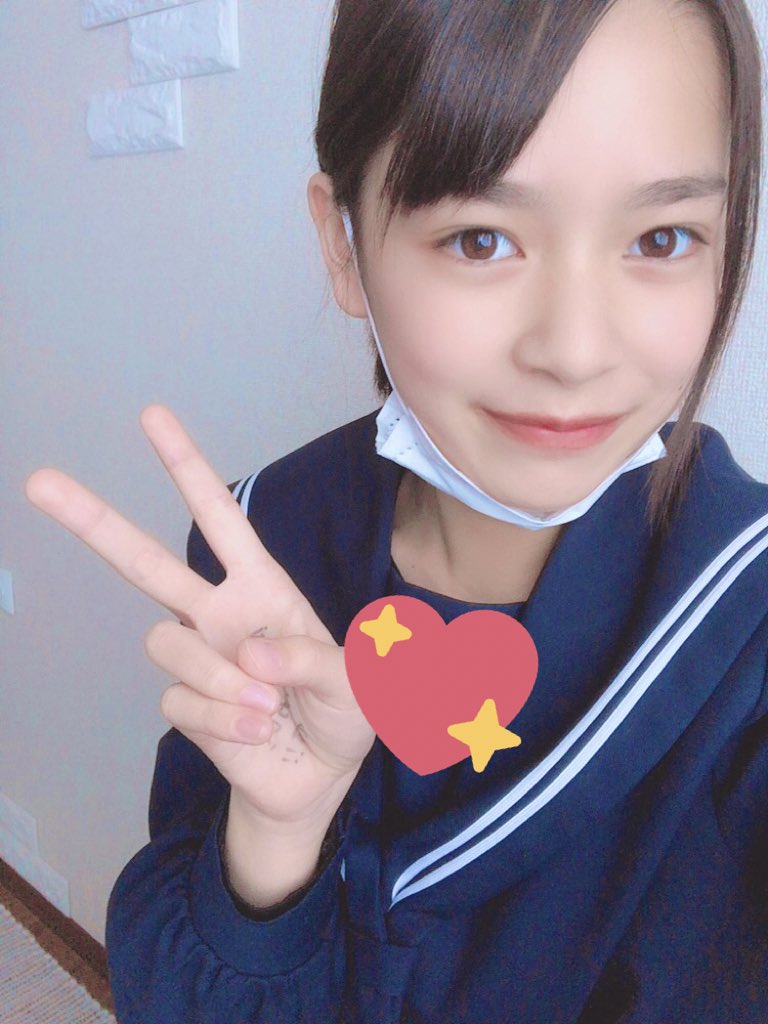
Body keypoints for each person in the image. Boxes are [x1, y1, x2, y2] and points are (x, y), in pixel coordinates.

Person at [25, 0, 767, 1020]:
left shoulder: (744, 611)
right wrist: (276, 839)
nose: (576, 350)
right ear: (344, 245)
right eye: (481, 240)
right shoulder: (265, 543)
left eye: (662, 237)